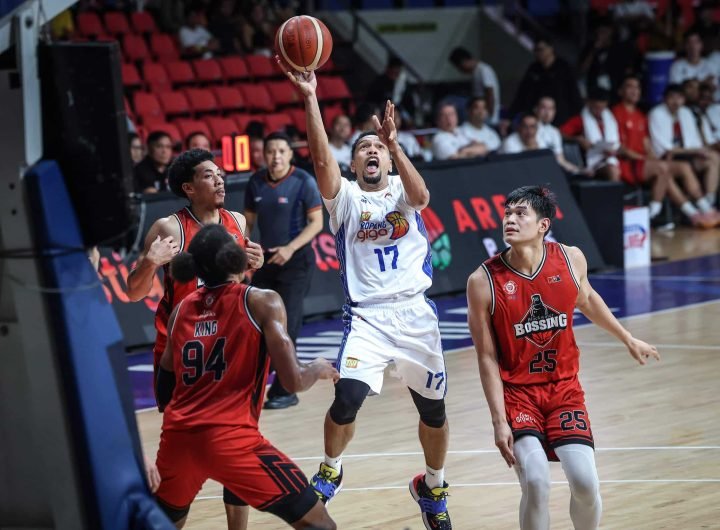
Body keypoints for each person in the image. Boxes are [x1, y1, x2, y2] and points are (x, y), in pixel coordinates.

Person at [283, 63, 452, 529]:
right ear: (354, 164)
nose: (372, 151)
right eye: (364, 149)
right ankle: (330, 471)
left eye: (377, 146)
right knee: (346, 400)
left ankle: (432, 486)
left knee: (433, 412)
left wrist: (395, 144)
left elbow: (420, 199)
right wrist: (310, 97)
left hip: (416, 314)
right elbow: (320, 164)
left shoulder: (402, 186)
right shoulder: (347, 200)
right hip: (368, 319)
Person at [467, 185, 660, 530]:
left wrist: (627, 338)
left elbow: (587, 299)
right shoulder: (483, 281)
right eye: (507, 213)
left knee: (586, 484)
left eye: (520, 213)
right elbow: (485, 357)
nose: (510, 219)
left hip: (564, 391)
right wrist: (499, 421)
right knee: (537, 483)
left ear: (543, 225)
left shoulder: (570, 259)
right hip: (518, 396)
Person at [154, 223, 339, 529]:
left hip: (177, 441)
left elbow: (164, 391)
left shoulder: (181, 311)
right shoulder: (262, 301)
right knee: (320, 525)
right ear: (234, 258)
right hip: (231, 440)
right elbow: (292, 381)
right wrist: (317, 368)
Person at [126, 148, 265, 528]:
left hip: (228, 352)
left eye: (220, 174)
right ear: (189, 187)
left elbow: (237, 283)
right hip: (182, 357)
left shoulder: (237, 221)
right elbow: (134, 292)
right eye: (209, 175)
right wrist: (150, 263)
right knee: (181, 458)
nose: (220, 180)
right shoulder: (170, 228)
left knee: (239, 447)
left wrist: (255, 262)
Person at [244, 132, 324, 409]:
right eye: (270, 151)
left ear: (289, 154)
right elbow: (248, 225)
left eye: (281, 151)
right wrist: (245, 253)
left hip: (296, 261)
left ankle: (285, 389)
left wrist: (290, 248)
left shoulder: (303, 181)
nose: (275, 156)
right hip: (265, 261)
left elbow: (316, 223)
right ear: (263, 155)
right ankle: (251, 389)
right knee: (259, 327)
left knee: (288, 326)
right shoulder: (255, 182)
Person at [613, 76, 720, 228]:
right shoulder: (616, 112)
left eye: (637, 87)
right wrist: (649, 159)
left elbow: (646, 144)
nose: (634, 91)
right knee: (663, 168)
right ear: (620, 91)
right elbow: (621, 148)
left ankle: (701, 210)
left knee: (680, 168)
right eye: (630, 87)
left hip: (646, 162)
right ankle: (659, 215)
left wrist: (651, 158)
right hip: (628, 163)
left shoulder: (640, 115)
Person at [649, 84, 720, 211]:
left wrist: (699, 151)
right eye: (672, 97)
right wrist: (696, 150)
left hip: (687, 154)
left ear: (684, 99)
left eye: (680, 98)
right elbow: (666, 149)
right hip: (667, 157)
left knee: (713, 158)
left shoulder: (686, 112)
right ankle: (704, 207)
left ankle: (710, 200)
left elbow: (694, 143)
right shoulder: (656, 114)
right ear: (664, 99)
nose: (676, 101)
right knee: (686, 166)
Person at [509, 38, 583, 126]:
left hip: (560, 119)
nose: (538, 53)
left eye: (541, 49)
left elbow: (574, 94)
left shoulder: (563, 67)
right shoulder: (534, 68)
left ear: (551, 48)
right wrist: (509, 117)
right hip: (536, 118)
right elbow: (521, 94)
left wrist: (577, 118)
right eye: (535, 50)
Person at [560, 88, 621, 181]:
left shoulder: (610, 119)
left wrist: (614, 150)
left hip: (611, 158)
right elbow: (559, 134)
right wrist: (577, 139)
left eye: (602, 108)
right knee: (613, 171)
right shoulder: (581, 120)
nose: (599, 111)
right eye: (596, 108)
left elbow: (617, 144)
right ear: (589, 103)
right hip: (592, 163)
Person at [534, 97, 587, 176]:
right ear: (536, 109)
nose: (547, 112)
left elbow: (560, 160)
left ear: (555, 111)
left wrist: (579, 170)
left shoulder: (555, 132)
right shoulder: (530, 128)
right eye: (544, 107)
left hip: (553, 171)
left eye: (551, 108)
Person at [449, 46, 502, 125]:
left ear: (464, 61)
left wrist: (489, 115)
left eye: (459, 67)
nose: (460, 71)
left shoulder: (483, 70)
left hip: (487, 118)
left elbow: (490, 93)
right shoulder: (475, 72)